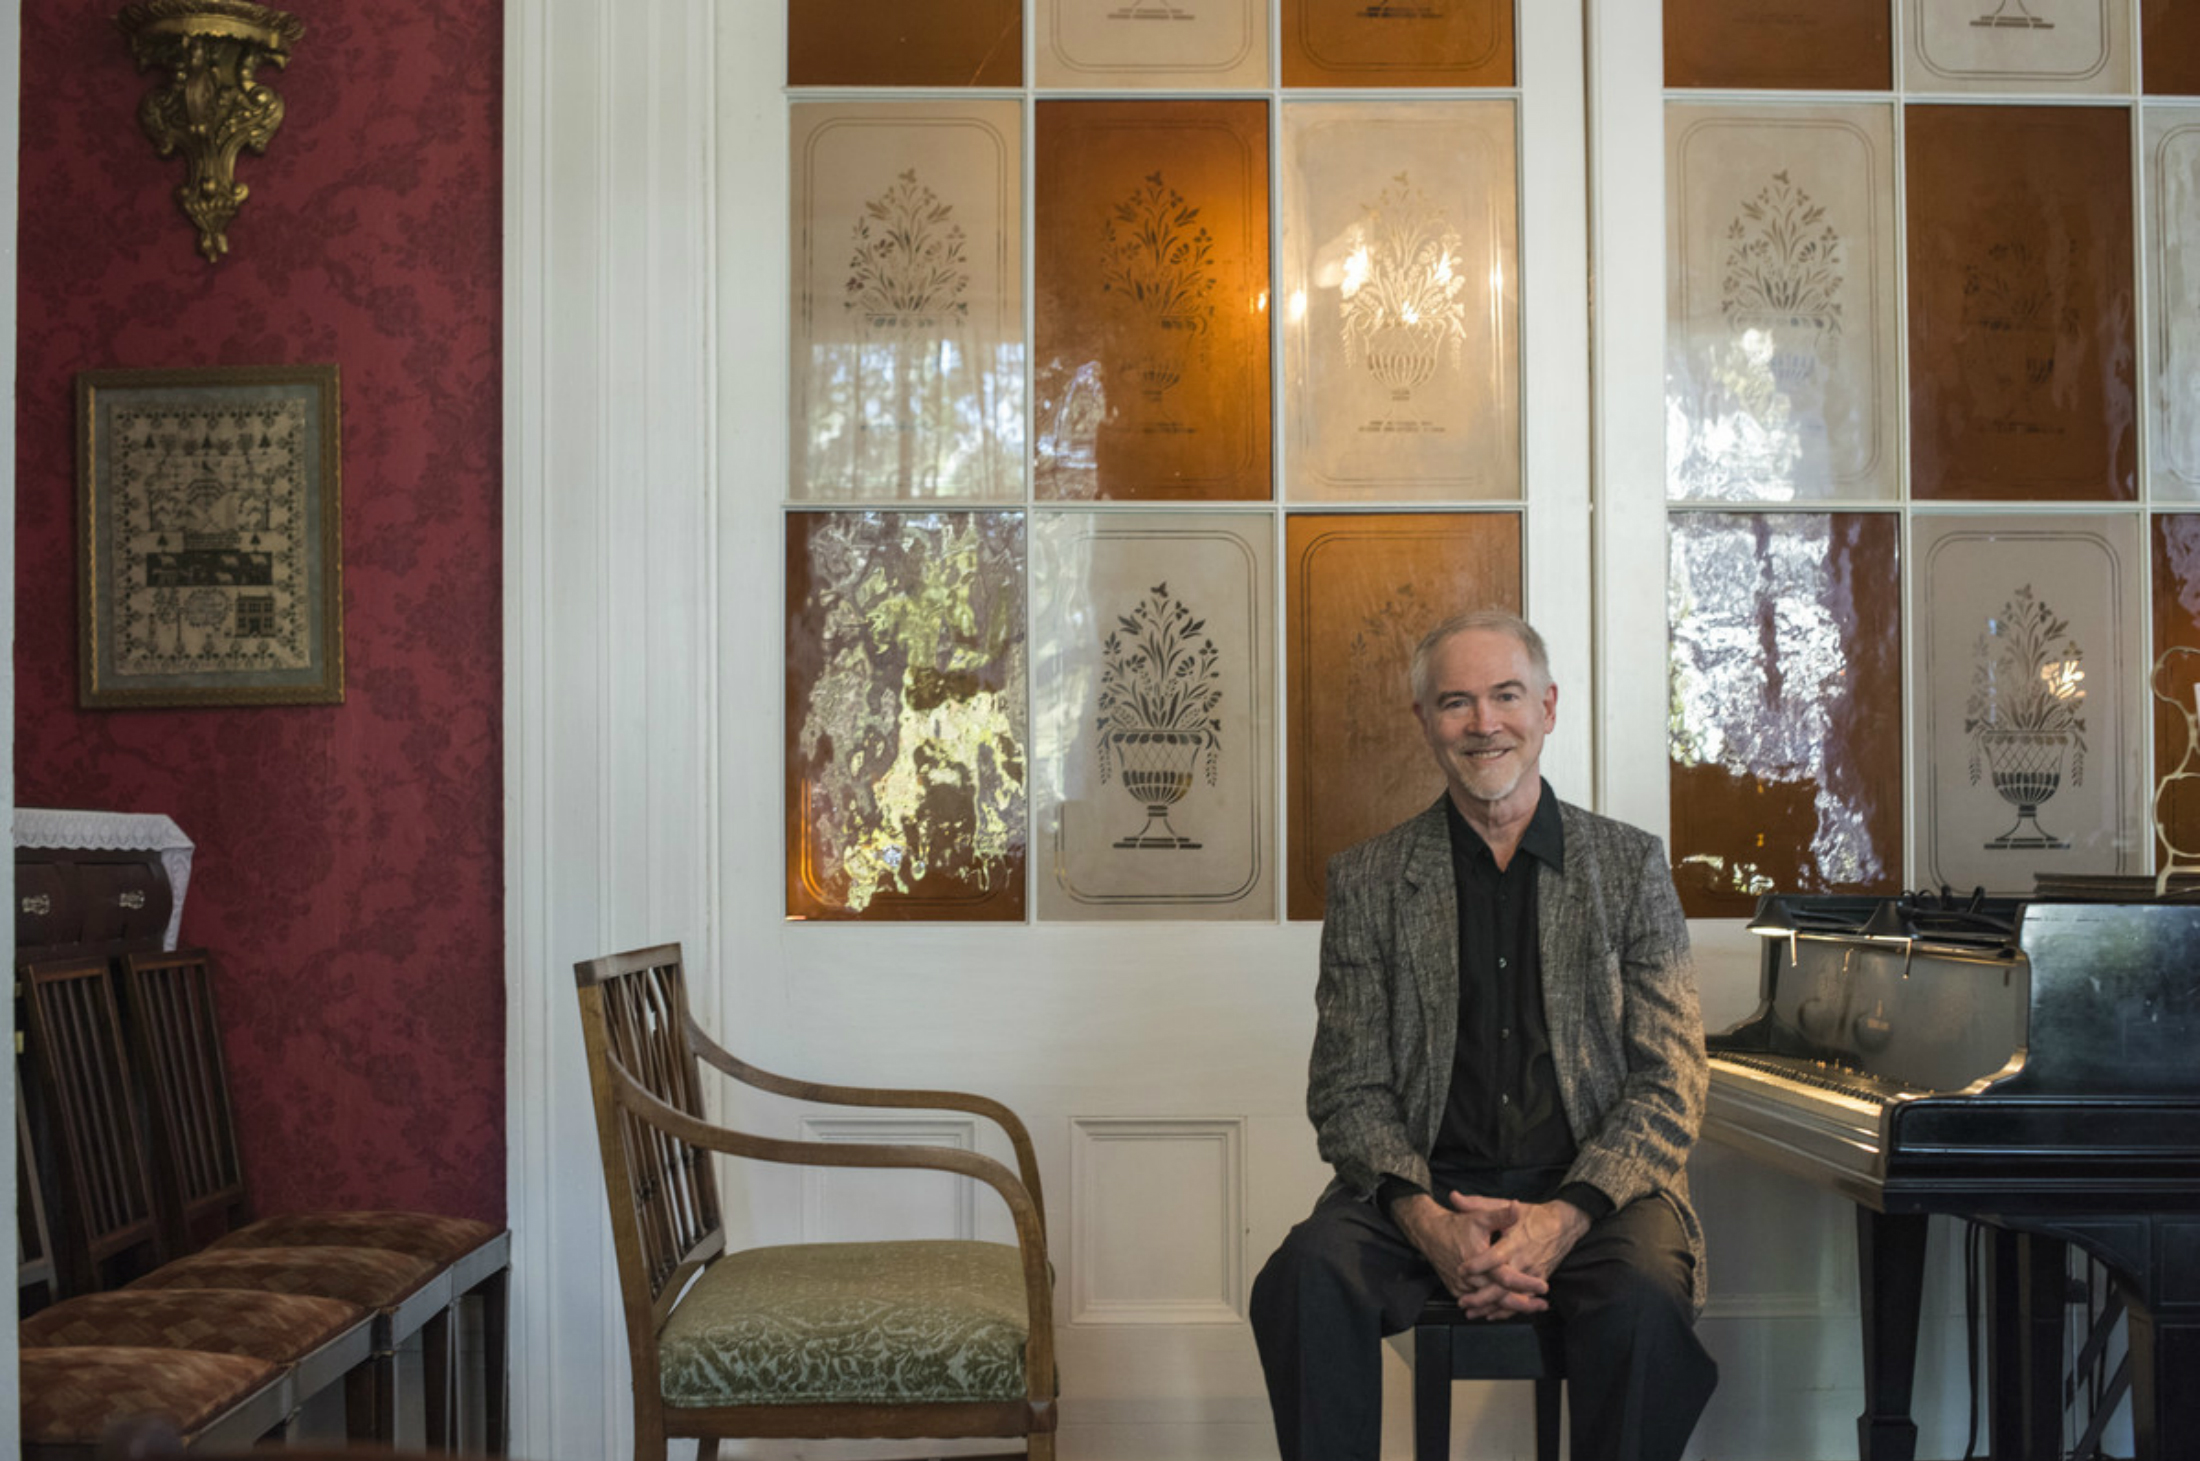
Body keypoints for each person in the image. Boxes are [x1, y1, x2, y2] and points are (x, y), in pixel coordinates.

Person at [1250, 610, 1717, 1461]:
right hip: (1424, 1187)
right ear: (1424, 721)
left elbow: (1671, 1080)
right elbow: (1347, 1090)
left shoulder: (1631, 866)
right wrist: (1428, 1220)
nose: (1483, 722)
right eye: (1456, 702)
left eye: (1505, 695)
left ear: (1547, 706)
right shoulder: (1370, 879)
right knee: (1302, 1279)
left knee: (1646, 1304)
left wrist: (1563, 1218)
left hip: (1595, 1193)